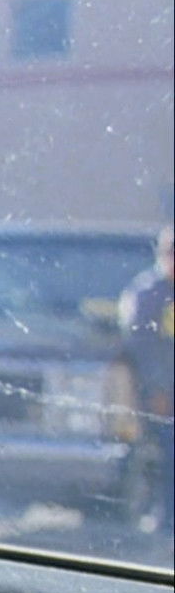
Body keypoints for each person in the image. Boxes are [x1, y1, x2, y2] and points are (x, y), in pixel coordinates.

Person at [115, 224, 173, 532]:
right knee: (161, 455)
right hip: (159, 394)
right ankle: (161, 515)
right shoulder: (149, 293)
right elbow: (142, 347)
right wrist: (158, 389)